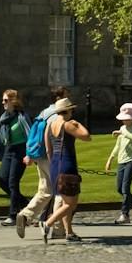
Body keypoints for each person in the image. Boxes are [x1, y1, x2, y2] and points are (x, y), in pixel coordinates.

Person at [13, 86, 68, 239]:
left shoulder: (44, 112)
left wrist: (31, 154)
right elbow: (52, 137)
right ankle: (58, 229)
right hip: (52, 157)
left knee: (45, 190)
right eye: (66, 96)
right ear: (60, 98)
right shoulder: (57, 114)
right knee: (60, 192)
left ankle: (25, 215)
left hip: (39, 156)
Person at [42, 96, 91, 242]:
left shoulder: (50, 125)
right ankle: (47, 223)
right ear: (69, 110)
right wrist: (78, 124)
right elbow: (87, 136)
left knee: (64, 202)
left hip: (55, 164)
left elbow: (48, 149)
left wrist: (53, 165)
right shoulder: (68, 124)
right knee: (71, 203)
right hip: (67, 163)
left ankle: (69, 232)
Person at [0, 89, 31, 222]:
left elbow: (30, 135)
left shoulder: (22, 117)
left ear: (14, 101)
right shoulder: (3, 118)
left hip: (20, 150)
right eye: (3, 100)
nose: (3, 103)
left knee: (13, 183)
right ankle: (27, 205)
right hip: (8, 150)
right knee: (2, 181)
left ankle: (13, 215)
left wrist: (30, 154)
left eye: (6, 100)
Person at [105, 102, 132, 223]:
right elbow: (118, 145)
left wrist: (122, 132)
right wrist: (110, 159)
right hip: (121, 161)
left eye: (127, 119)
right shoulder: (122, 128)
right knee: (119, 189)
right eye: (124, 119)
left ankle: (125, 214)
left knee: (125, 188)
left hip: (131, 161)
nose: (125, 121)